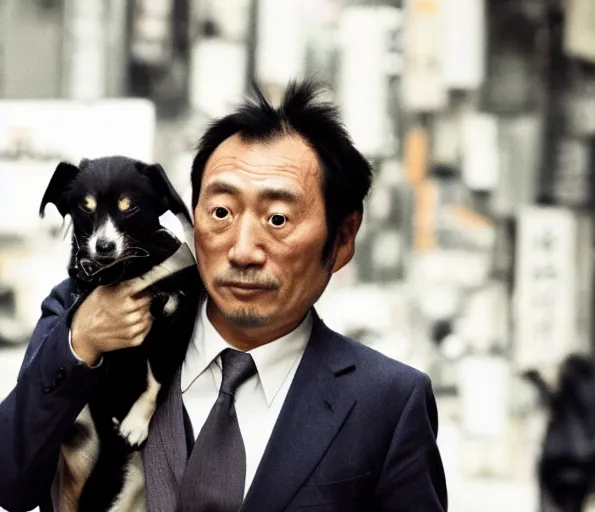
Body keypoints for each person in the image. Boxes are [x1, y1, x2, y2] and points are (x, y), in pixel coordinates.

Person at [0, 80, 448, 511]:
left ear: (343, 237)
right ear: (191, 217)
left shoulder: (387, 404)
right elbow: (9, 483)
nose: (243, 250)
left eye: (277, 219)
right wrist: (80, 343)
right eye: (221, 212)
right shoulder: (85, 314)